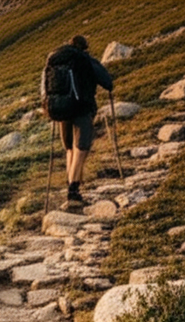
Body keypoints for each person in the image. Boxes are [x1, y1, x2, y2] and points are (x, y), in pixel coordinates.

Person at [47, 35, 113, 203]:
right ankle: (73, 190)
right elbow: (106, 81)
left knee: (69, 148)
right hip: (82, 108)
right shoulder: (85, 59)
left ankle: (71, 186)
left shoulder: (57, 59)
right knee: (81, 148)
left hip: (62, 108)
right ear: (85, 47)